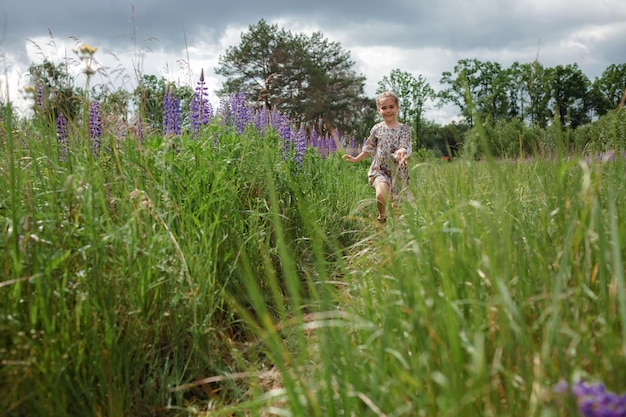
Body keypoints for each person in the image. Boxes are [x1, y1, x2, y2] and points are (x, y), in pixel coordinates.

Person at [342, 91, 412, 224]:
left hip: (398, 172)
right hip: (379, 169)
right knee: (381, 194)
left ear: (398, 107)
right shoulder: (377, 128)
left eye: (391, 107)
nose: (388, 111)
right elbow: (370, 147)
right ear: (378, 110)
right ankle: (382, 218)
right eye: (384, 108)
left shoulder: (405, 129)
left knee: (397, 206)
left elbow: (405, 145)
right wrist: (357, 159)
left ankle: (396, 234)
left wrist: (401, 153)